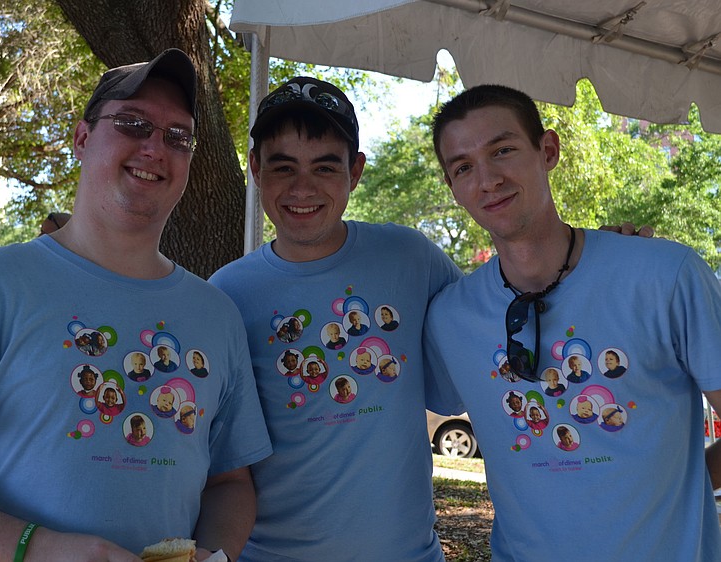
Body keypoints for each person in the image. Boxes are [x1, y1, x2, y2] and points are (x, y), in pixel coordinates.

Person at [0, 48, 271, 562]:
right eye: (133, 124)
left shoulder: (217, 314)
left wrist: (213, 555)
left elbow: (230, 483)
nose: (155, 148)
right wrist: (41, 550)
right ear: (82, 139)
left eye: (178, 137)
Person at [425, 83, 721, 560]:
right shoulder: (449, 318)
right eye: (463, 167)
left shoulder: (665, 275)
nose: (487, 179)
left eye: (502, 150)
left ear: (548, 150)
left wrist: (681, 483)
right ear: (452, 187)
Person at [209, 76, 463, 562]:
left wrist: (589, 265)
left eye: (325, 167)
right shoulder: (226, 294)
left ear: (356, 171)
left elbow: (505, 315)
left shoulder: (411, 257)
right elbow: (219, 468)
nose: (303, 188)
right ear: (256, 169)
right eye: (283, 167)